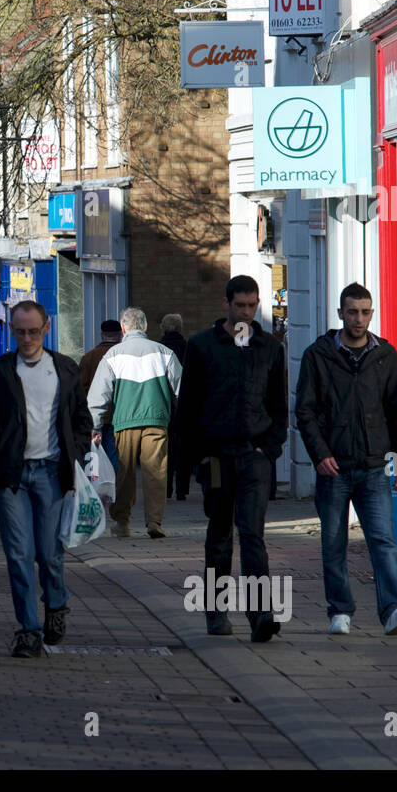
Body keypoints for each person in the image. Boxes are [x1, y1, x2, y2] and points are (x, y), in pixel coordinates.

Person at [294, 282, 397, 637]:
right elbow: (304, 411)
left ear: (372, 313)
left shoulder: (385, 355)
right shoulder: (318, 355)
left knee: (383, 540)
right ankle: (340, 611)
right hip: (334, 467)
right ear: (340, 313)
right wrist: (319, 454)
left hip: (374, 465)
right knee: (333, 541)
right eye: (352, 312)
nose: (359, 319)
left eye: (365, 312)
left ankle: (393, 610)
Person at [0, 300, 92, 659]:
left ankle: (56, 603)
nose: (27, 338)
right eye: (20, 332)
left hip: (52, 472)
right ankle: (28, 630)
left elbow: (81, 418)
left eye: (33, 331)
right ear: (11, 330)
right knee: (19, 554)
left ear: (46, 327)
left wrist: (76, 452)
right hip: (13, 477)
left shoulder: (64, 368)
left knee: (49, 553)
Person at [175, 275, 288, 643]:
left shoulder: (270, 348)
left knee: (253, 534)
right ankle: (216, 610)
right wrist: (199, 456)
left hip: (254, 455)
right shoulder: (202, 346)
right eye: (240, 305)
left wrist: (268, 449)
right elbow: (188, 407)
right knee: (220, 535)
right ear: (226, 304)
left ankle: (261, 614)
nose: (246, 312)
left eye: (252, 305)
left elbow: (278, 406)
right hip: (216, 457)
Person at [87, 307, 182, 539]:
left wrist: (95, 426)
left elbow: (98, 396)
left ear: (123, 328)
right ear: (145, 327)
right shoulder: (164, 352)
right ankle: (154, 522)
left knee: (125, 473)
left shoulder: (113, 355)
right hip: (156, 420)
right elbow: (182, 389)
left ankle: (122, 522)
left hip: (124, 422)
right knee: (156, 472)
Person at [78, 319, 123, 472]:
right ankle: (113, 485)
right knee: (113, 454)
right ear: (120, 335)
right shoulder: (123, 356)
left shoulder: (89, 357)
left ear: (102, 335)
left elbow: (80, 388)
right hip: (117, 415)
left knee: (93, 455)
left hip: (93, 414)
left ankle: (93, 484)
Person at [158, 313, 192, 501]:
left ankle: (166, 488)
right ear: (180, 328)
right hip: (185, 403)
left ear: (163, 328)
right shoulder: (189, 348)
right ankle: (182, 489)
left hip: (163, 402)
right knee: (184, 448)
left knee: (165, 448)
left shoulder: (157, 349)